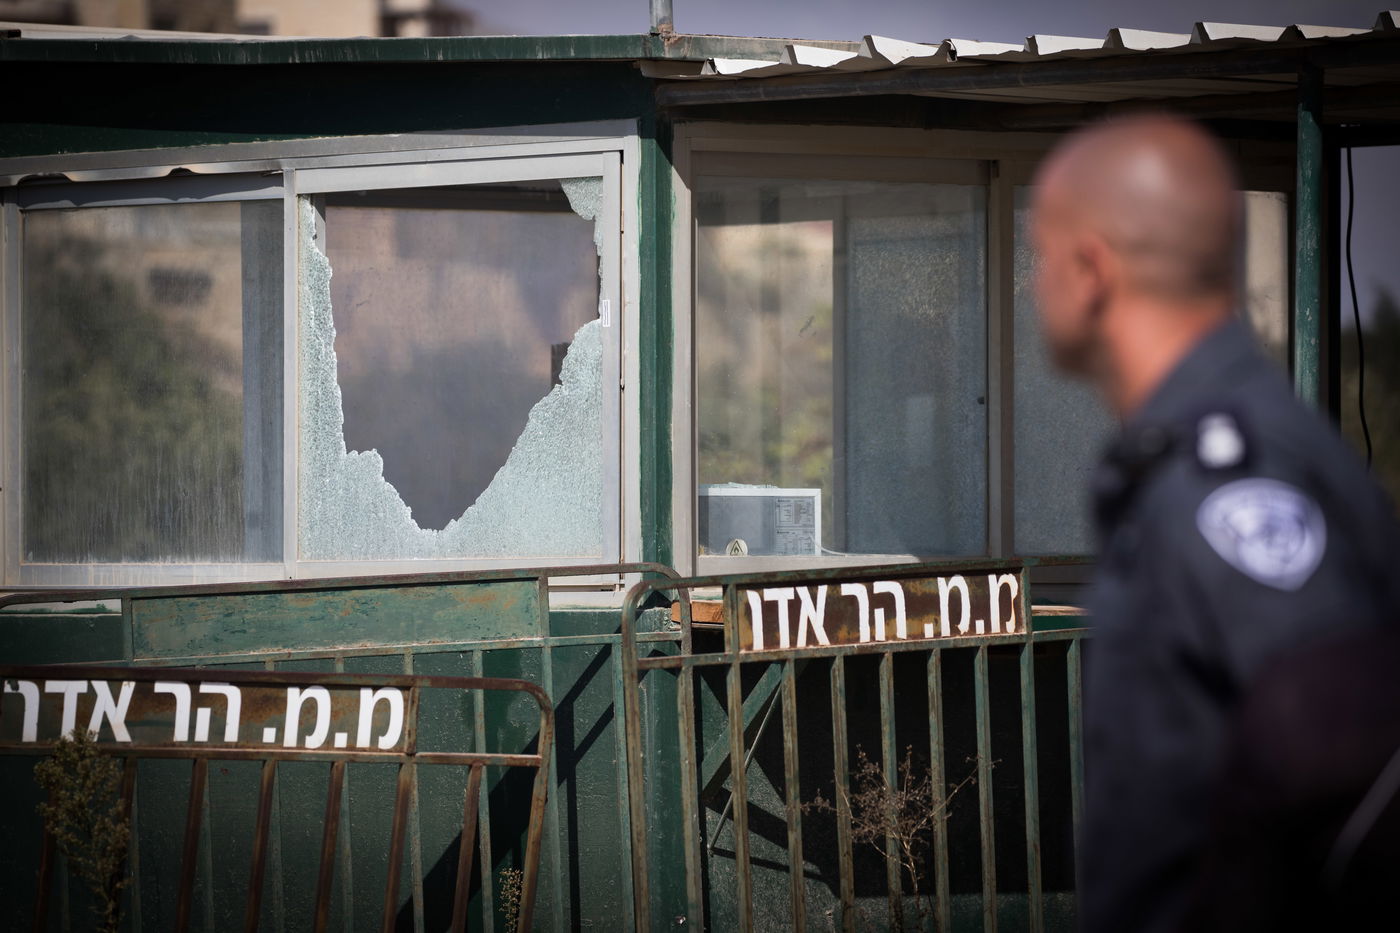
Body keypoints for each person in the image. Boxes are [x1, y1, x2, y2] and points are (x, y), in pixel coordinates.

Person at [1029, 114, 1400, 933]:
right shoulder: (1206, 450)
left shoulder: (1226, 477)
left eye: (1040, 256)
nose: (1033, 284)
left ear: (1091, 270)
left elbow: (1349, 774)